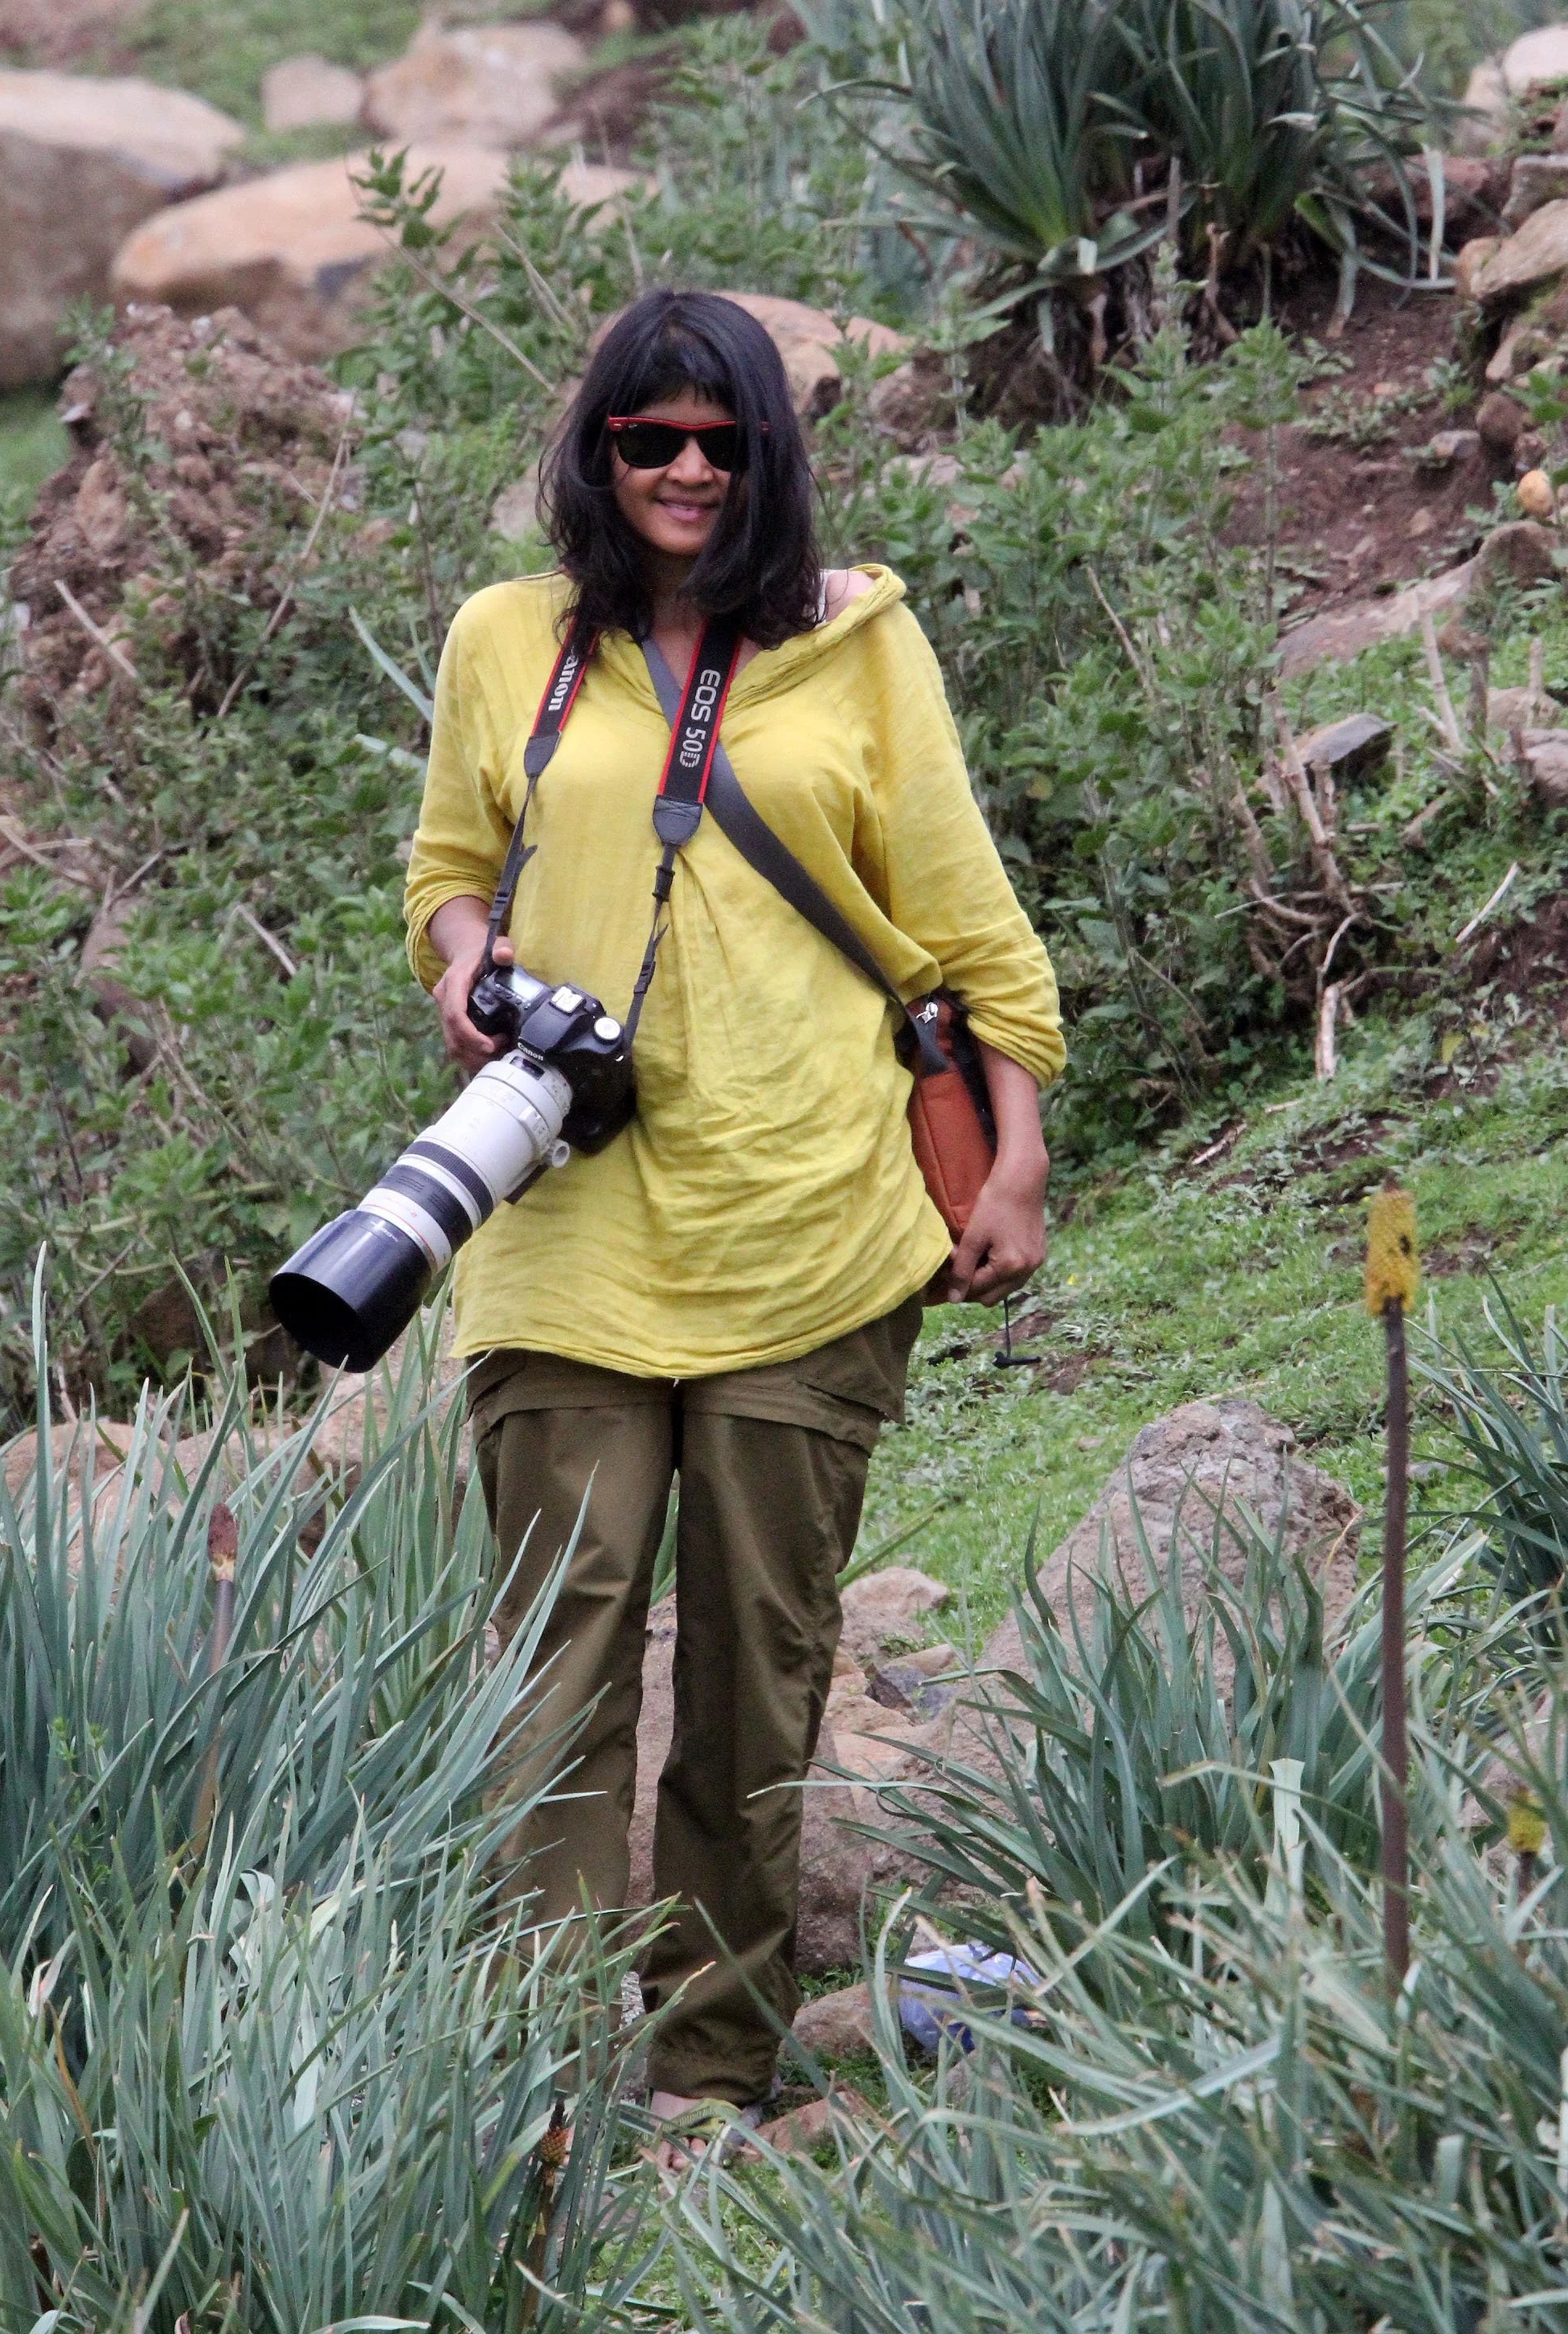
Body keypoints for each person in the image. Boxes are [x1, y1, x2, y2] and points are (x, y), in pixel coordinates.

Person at [403, 287, 1064, 2151]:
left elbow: (967, 922)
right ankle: (540, 2078)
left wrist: (1014, 1156)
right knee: (559, 1661)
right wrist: (464, 964)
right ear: (599, 453)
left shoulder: (856, 646)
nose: (689, 470)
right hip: (565, 1224)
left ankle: (708, 2072)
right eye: (652, 439)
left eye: (724, 440)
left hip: (808, 1227)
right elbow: (449, 868)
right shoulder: (509, 641)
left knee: (759, 1667)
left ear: (770, 455)